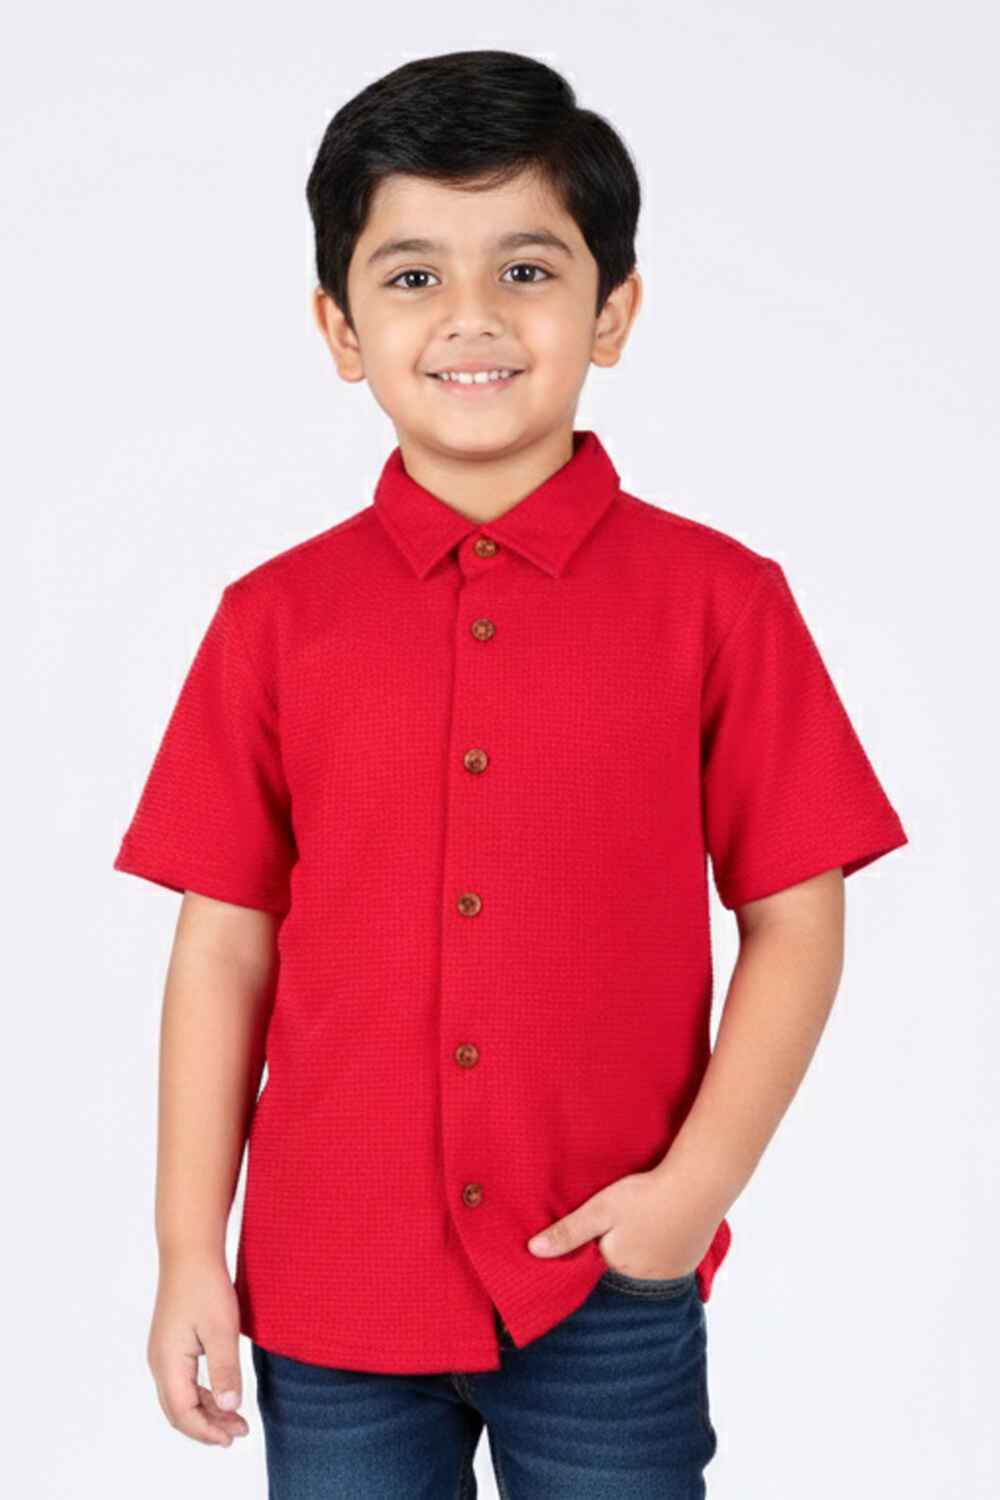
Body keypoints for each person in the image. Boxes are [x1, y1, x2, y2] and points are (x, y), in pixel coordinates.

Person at [112, 48, 909, 1498]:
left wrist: (689, 1200)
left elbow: (798, 916)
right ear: (339, 327)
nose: (471, 316)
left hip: (604, 1274)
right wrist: (186, 1251)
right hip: (333, 1282)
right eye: (413, 276)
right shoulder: (272, 621)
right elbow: (222, 945)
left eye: (527, 270)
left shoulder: (721, 602)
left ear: (613, 312)